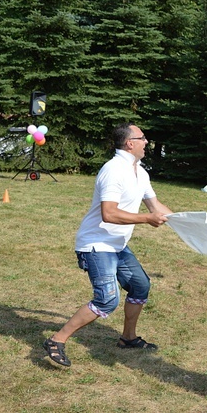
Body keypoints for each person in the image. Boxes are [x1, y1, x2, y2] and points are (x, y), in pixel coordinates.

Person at [42, 123, 173, 367]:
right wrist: (147, 219)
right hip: (96, 244)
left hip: (117, 245)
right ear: (129, 143)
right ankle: (56, 340)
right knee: (106, 300)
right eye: (142, 138)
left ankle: (128, 338)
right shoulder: (113, 170)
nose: (147, 142)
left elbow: (156, 207)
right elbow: (109, 213)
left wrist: (188, 223)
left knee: (139, 286)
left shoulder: (140, 172)